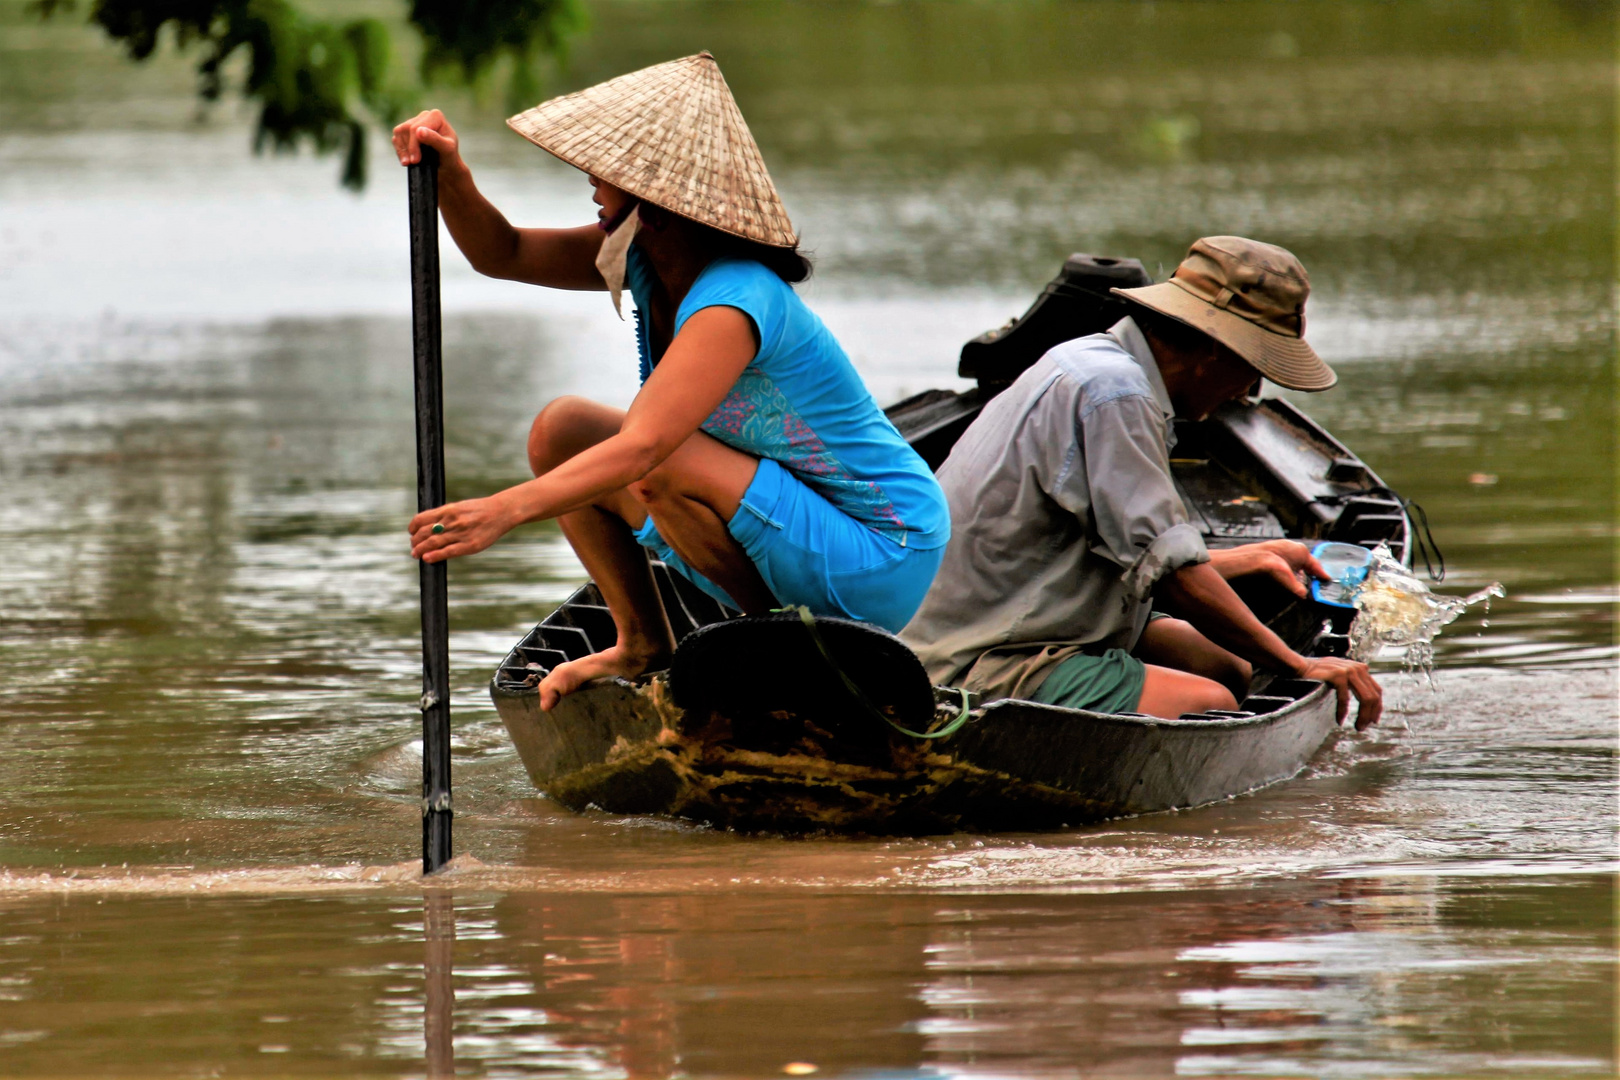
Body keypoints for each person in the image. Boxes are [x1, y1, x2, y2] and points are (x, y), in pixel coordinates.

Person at [392, 53, 949, 710]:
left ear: (656, 202)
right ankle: (641, 645)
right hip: (787, 513)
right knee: (562, 432)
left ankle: (776, 649)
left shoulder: (734, 300)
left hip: (882, 545)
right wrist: (451, 173)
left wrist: (503, 510)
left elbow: (645, 448)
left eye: (609, 175)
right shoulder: (643, 259)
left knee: (654, 457)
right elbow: (503, 253)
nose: (592, 184)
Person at [900, 236, 1382, 728]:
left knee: (1229, 666)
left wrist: (1250, 556)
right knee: (1208, 702)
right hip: (978, 656)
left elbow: (1129, 547)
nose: (1248, 391)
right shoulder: (1115, 395)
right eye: (1253, 368)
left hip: (1022, 611)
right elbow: (1173, 577)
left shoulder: (1092, 360)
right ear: (1214, 350)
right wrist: (1301, 665)